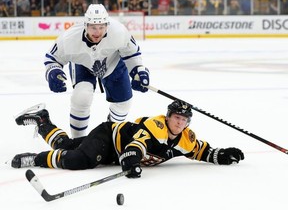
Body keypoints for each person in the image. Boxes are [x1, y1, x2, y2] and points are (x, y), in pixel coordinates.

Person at [11, 100, 244, 178]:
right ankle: (36, 158)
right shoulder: (156, 126)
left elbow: (200, 150)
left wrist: (220, 155)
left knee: (66, 146)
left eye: (184, 120)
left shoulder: (185, 139)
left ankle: (42, 120)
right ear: (168, 116)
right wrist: (131, 161)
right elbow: (136, 145)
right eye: (176, 117)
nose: (179, 122)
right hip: (109, 137)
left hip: (115, 150)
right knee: (80, 159)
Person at [44, 4, 149, 138]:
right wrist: (53, 72)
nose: (97, 32)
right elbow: (52, 59)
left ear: (107, 25)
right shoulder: (69, 38)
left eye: (101, 27)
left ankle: (110, 137)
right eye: (93, 27)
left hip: (113, 63)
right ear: (85, 25)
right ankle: (78, 141)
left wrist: (138, 71)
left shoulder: (119, 32)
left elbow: (132, 54)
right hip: (83, 64)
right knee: (82, 97)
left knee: (124, 103)